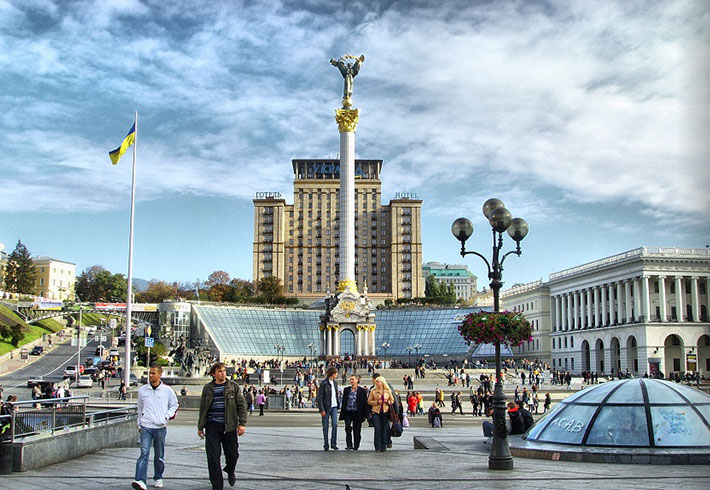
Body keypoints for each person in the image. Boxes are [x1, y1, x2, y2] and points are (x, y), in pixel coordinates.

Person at [197, 362, 247, 490]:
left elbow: (241, 405)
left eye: (224, 371)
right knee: (213, 457)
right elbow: (203, 407)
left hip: (229, 426)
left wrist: (242, 424)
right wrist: (200, 427)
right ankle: (217, 486)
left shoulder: (233, 387)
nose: (222, 373)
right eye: (219, 371)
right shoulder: (208, 388)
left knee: (233, 455)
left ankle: (230, 470)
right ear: (213, 374)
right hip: (212, 426)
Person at [132, 365, 179, 490]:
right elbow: (140, 408)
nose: (150, 375)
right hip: (146, 425)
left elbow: (174, 405)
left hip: (160, 426)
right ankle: (140, 480)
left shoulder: (167, 390)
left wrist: (166, 416)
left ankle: (158, 477)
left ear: (159, 375)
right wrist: (139, 423)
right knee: (144, 453)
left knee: (159, 455)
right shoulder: (143, 390)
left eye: (153, 373)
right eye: (150, 373)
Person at [339, 374, 368, 450]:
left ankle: (356, 445)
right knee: (348, 428)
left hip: (357, 413)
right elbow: (344, 401)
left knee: (357, 430)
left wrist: (365, 415)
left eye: (353, 379)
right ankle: (349, 445)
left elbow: (365, 403)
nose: (351, 381)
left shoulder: (362, 391)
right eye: (350, 379)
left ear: (357, 380)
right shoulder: (347, 389)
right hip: (348, 412)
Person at [367, 375, 394, 452]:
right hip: (376, 412)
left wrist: (388, 402)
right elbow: (369, 401)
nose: (377, 383)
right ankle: (377, 447)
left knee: (384, 429)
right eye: (376, 381)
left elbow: (392, 400)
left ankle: (384, 446)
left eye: (378, 381)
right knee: (377, 429)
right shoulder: (373, 391)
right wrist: (377, 402)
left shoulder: (388, 391)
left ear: (382, 382)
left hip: (385, 412)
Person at [316, 366, 340, 450]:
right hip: (326, 407)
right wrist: (321, 409)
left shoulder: (335, 383)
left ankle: (333, 443)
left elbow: (336, 395)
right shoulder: (324, 383)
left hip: (334, 406)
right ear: (332, 374)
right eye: (336, 374)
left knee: (335, 425)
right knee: (325, 426)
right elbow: (319, 397)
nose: (337, 375)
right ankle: (326, 444)